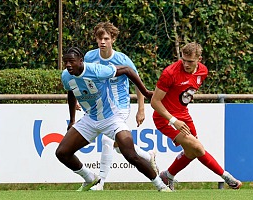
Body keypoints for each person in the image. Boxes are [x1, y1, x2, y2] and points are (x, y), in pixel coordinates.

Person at [55, 47, 171, 192]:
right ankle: (90, 178)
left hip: (112, 118)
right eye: (65, 62)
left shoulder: (97, 70)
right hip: (90, 119)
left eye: (71, 61)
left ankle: (161, 186)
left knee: (130, 155)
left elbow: (128, 70)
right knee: (62, 153)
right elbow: (71, 92)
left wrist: (145, 92)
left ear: (81, 61)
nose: (68, 65)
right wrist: (72, 119)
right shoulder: (66, 75)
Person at [150, 42, 242, 190]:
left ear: (199, 59)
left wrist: (180, 115)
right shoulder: (170, 73)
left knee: (192, 151)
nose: (186, 64)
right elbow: (155, 102)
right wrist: (173, 120)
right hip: (165, 118)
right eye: (183, 60)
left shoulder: (203, 71)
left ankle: (168, 175)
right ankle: (227, 177)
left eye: (190, 61)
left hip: (184, 115)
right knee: (198, 148)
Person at [83, 22, 158, 190]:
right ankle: (148, 156)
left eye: (106, 38)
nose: (102, 42)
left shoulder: (122, 60)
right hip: (100, 107)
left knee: (108, 140)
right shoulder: (90, 57)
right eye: (99, 38)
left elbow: (138, 84)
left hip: (120, 107)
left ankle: (100, 182)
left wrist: (141, 109)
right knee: (119, 147)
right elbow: (83, 80)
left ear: (113, 39)